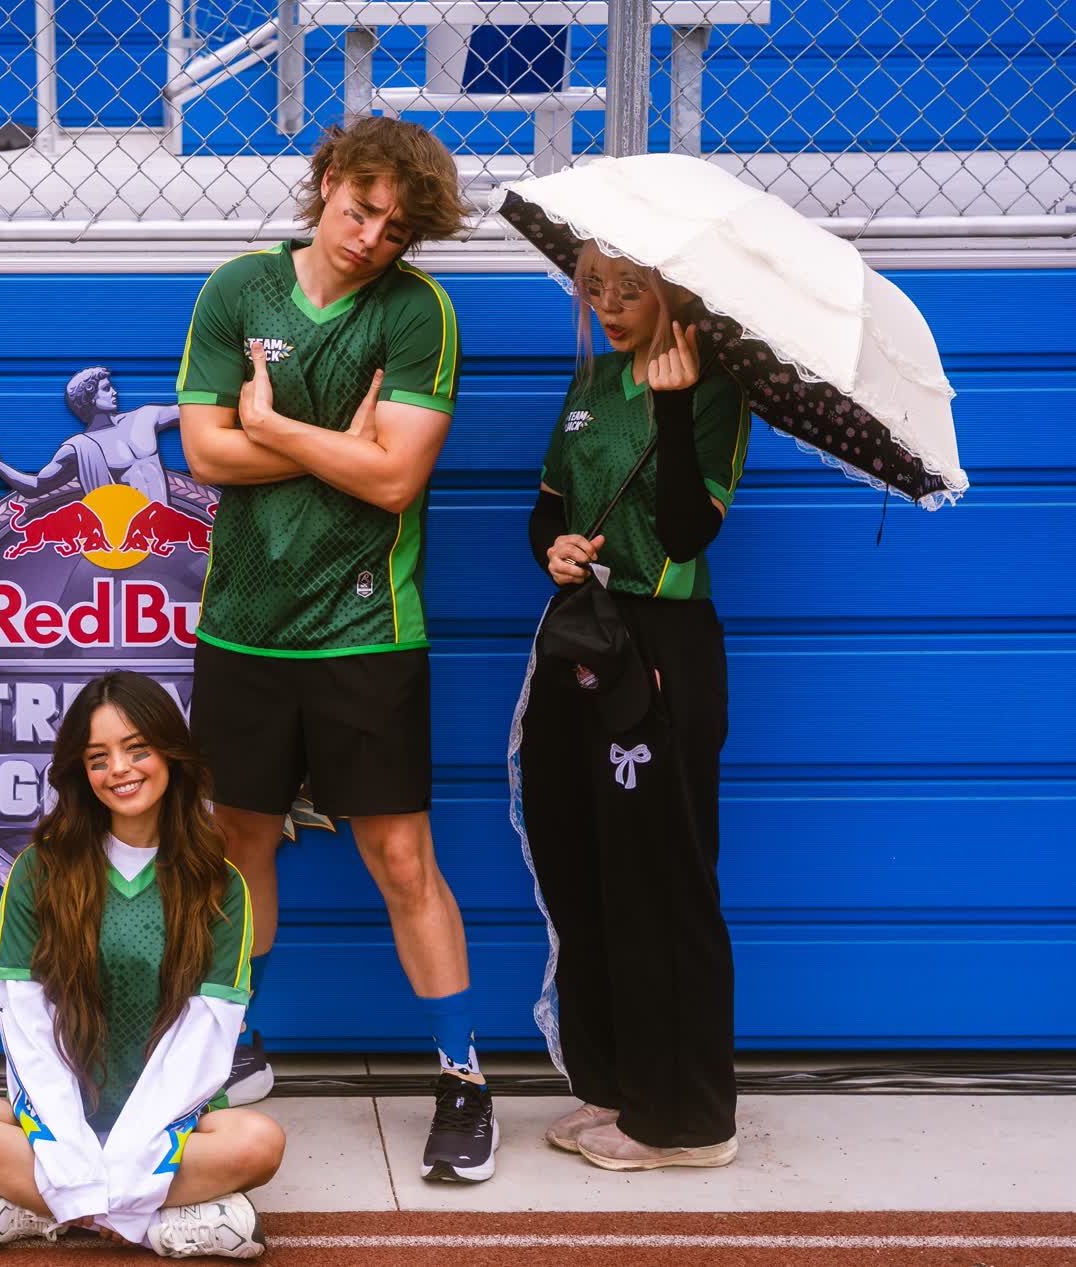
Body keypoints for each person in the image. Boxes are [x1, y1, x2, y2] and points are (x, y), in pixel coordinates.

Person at [173, 117, 495, 1181]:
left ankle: (462, 1076)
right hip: (243, 629)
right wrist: (337, 444)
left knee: (401, 858)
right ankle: (235, 1045)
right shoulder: (237, 290)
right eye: (360, 211)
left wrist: (273, 428)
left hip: (366, 630)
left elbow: (395, 479)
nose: (370, 239)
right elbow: (205, 452)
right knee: (238, 844)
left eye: (397, 230)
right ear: (325, 184)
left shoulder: (418, 311)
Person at [516, 239, 751, 1170]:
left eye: (629, 288)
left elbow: (690, 531)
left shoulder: (716, 386)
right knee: (581, 862)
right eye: (594, 287)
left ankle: (686, 1119)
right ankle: (617, 1086)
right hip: (584, 633)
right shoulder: (590, 383)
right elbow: (546, 505)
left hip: (662, 647)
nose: (607, 305)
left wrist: (677, 407)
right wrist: (556, 547)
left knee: (660, 875)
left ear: (672, 291)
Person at [0, 671, 282, 1259]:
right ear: (80, 772)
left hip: (175, 1127)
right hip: (67, 1116)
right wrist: (68, 1154)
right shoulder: (39, 870)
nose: (119, 769)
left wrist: (137, 1161)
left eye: (137, 749)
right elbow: (27, 1030)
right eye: (98, 758)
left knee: (259, 1142)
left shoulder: (221, 884)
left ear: (171, 754)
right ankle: (159, 1217)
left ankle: (47, 1206)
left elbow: (203, 1042)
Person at [0, 367, 182, 504]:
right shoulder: (78, 447)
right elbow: (36, 487)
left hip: (165, 527)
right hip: (125, 540)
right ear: (89, 398)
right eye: (106, 389)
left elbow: (189, 413)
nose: (115, 392)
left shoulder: (145, 416)